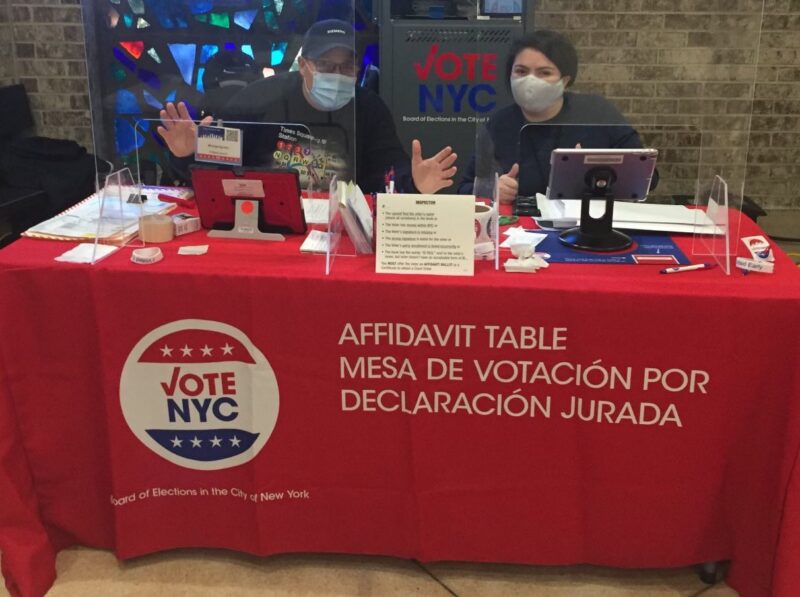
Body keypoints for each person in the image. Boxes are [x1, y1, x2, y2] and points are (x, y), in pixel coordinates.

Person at [158, 19, 457, 195]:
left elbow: (389, 170)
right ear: (303, 66)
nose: (337, 75)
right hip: (269, 224)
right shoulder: (258, 100)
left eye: (347, 67)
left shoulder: (369, 108)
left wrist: (414, 182)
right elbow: (217, 171)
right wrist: (188, 154)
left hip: (342, 228)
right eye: (326, 65)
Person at [458, 30, 651, 203]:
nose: (530, 80)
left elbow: (646, 177)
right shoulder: (499, 124)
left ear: (565, 81)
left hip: (586, 224)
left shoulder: (598, 113)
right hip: (522, 232)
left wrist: (602, 173)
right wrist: (491, 190)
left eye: (544, 73)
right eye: (521, 71)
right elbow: (464, 188)